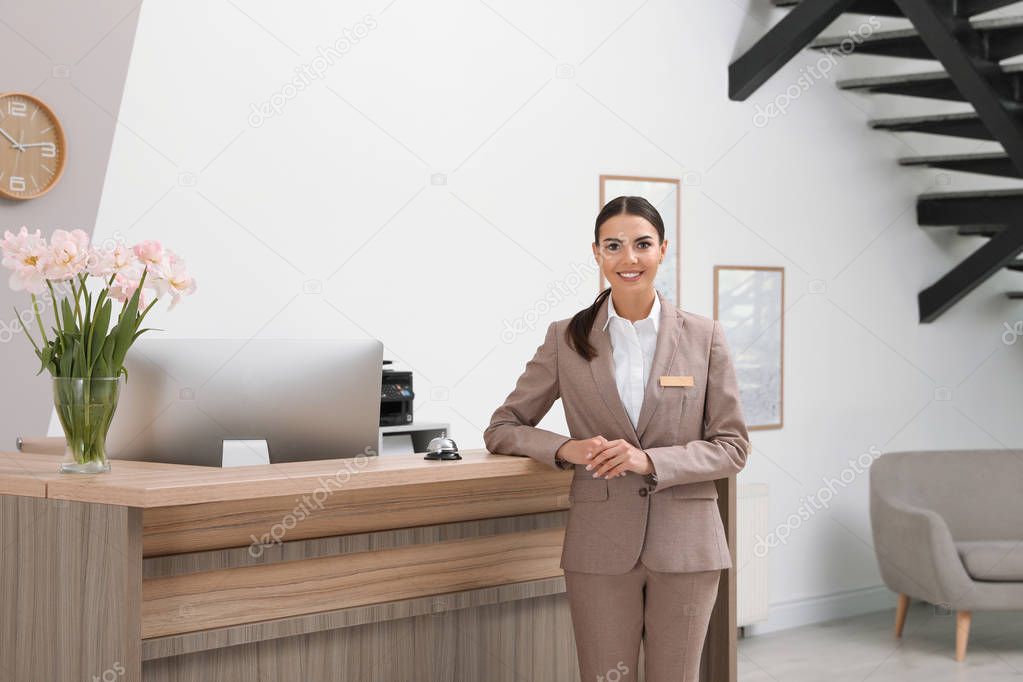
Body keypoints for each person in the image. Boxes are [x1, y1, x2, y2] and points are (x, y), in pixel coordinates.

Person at [483, 195, 751, 681]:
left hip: (687, 546)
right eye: (614, 246)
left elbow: (732, 446)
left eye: (642, 244)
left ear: (663, 250)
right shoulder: (566, 338)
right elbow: (503, 427)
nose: (629, 259)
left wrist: (649, 461)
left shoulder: (704, 336)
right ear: (596, 253)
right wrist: (567, 449)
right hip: (599, 546)